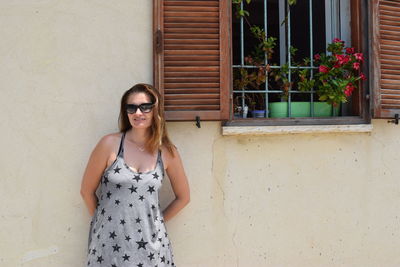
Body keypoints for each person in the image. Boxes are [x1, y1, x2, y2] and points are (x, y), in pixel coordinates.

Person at [80, 83, 190, 266]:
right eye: (131, 107)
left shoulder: (167, 152)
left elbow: (184, 197)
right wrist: (106, 222)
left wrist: (156, 222)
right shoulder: (109, 144)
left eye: (145, 107)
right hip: (109, 246)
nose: (138, 113)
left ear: (155, 110)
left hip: (151, 249)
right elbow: (86, 191)